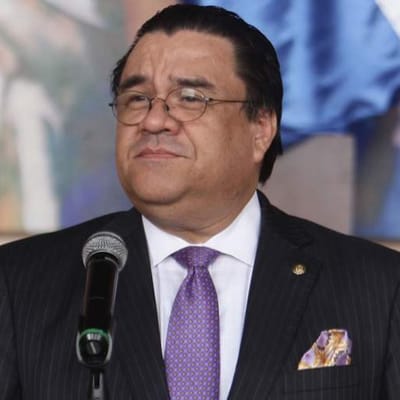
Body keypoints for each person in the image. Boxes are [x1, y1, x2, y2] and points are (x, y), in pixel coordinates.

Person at [0, 4, 399, 400]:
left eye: (190, 98)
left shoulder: (378, 287)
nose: (153, 120)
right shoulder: (20, 284)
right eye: (136, 98)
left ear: (261, 129)